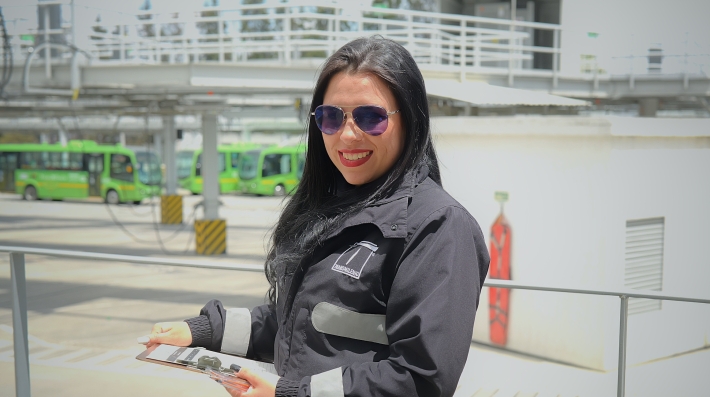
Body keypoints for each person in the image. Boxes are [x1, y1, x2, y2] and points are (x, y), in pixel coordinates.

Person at [144, 36, 490, 397]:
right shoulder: (332, 209)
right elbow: (297, 319)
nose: (347, 135)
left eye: (370, 117)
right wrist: (203, 330)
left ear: (411, 120)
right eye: (331, 117)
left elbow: (421, 379)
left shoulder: (439, 227)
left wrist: (292, 393)